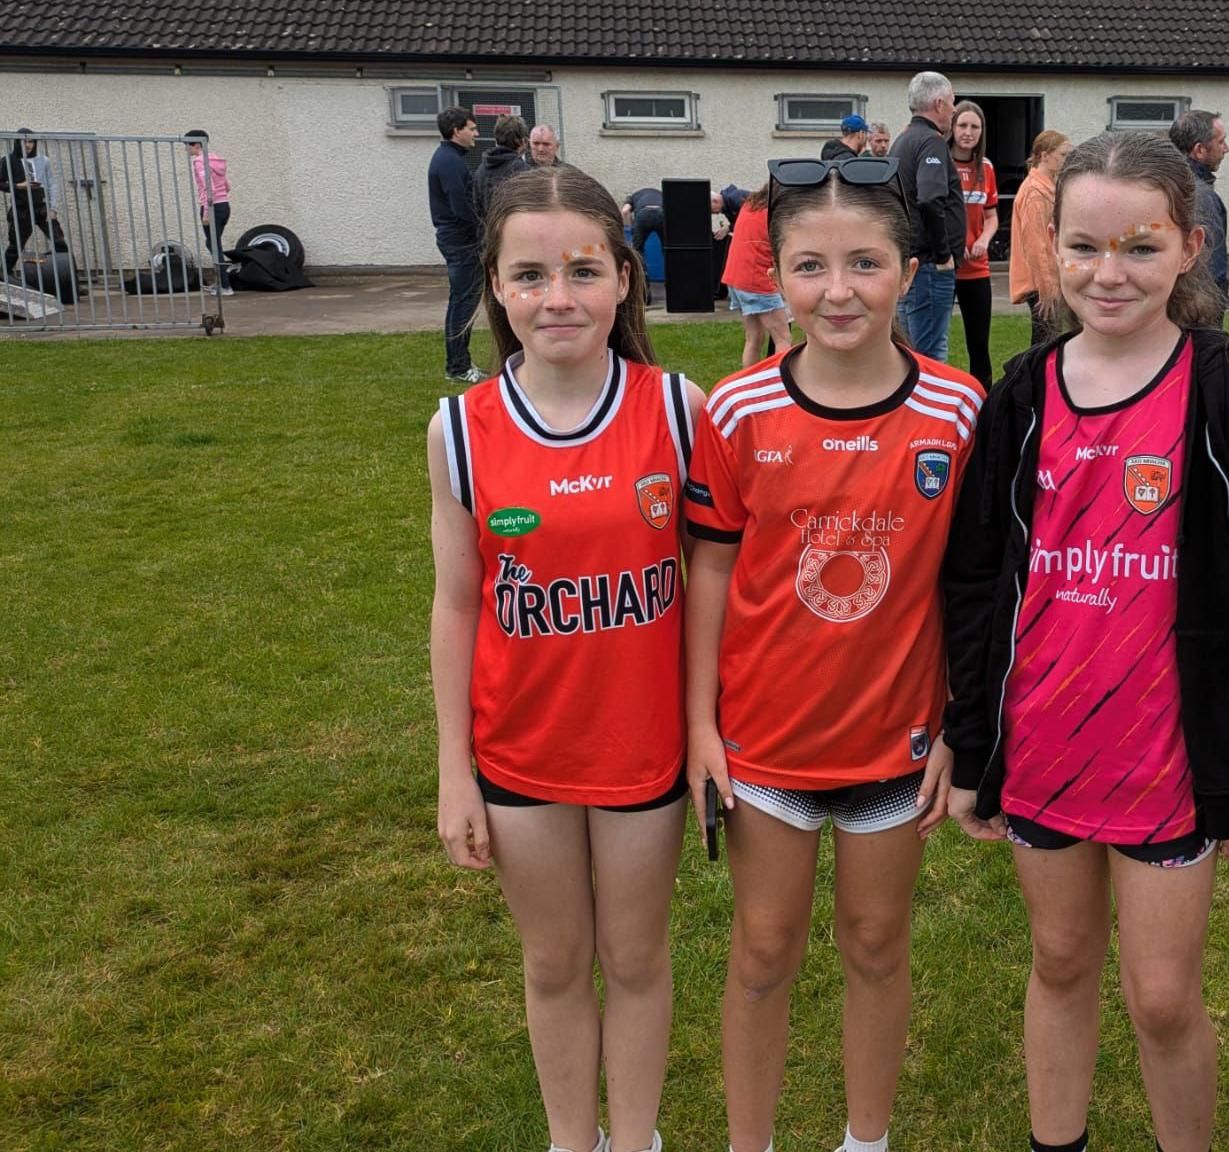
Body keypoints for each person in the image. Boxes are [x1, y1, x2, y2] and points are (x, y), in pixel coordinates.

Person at [940, 129, 1229, 1152]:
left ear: (1188, 248)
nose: (1109, 274)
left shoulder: (1227, 396)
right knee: (1058, 962)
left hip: (1170, 760)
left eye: (1139, 248)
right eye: (1085, 248)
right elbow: (974, 583)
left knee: (1159, 997)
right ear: (1049, 248)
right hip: (1042, 741)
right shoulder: (1019, 396)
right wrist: (971, 742)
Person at [683, 154, 985, 1152]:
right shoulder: (735, 411)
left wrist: (959, 725)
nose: (837, 290)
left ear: (908, 271)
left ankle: (867, 1139)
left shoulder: (956, 411)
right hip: (765, 743)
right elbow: (714, 574)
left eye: (863, 263)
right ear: (779, 277)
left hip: (894, 747)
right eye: (810, 267)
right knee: (763, 949)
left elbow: (971, 588)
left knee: (873, 943)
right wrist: (700, 729)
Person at [429, 163, 700, 1152]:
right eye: (530, 275)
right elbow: (456, 604)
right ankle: (568, 1139)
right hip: (519, 758)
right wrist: (454, 771)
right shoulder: (459, 429)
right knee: (553, 963)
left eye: (583, 272)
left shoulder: (675, 409)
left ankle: (635, 1138)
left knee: (633, 958)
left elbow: (715, 587)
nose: (559, 298)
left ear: (623, 279)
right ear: (494, 287)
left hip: (641, 751)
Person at [890, 71, 965, 359]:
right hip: (930, 267)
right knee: (930, 354)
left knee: (908, 351)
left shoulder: (903, 140)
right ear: (938, 104)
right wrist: (944, 254)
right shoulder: (930, 142)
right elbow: (930, 198)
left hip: (912, 261)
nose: (954, 110)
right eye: (952, 102)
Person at [428, 106, 486, 384]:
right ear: (456, 131)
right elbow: (460, 205)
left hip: (457, 240)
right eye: (472, 128)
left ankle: (458, 364)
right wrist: (481, 230)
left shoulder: (449, 158)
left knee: (460, 301)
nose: (476, 133)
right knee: (464, 303)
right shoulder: (449, 162)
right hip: (461, 243)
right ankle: (459, 367)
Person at [951, 100, 1000, 385]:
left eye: (975, 126)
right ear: (953, 128)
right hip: (945, 267)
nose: (968, 132)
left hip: (977, 269)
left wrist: (983, 239)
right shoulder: (941, 161)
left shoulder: (986, 168)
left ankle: (984, 401)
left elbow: (992, 216)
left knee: (979, 343)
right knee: (934, 342)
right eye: (963, 125)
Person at [1008, 129, 1071, 347]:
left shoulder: (1045, 188)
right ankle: (1037, 381)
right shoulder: (1035, 193)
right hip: (1041, 283)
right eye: (1062, 155)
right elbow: (1035, 245)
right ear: (1044, 156)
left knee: (1050, 341)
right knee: (1046, 344)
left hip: (1047, 280)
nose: (1066, 160)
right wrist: (1047, 288)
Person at [719, 188, 792, 365]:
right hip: (756, 281)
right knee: (783, 338)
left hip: (736, 278)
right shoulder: (776, 213)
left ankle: (748, 384)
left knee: (754, 338)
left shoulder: (751, 205)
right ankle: (780, 384)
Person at [1169, 110, 1229, 307]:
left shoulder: (1165, 182)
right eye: (1221, 142)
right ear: (1199, 150)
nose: (1226, 149)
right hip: (1196, 309)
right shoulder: (1201, 198)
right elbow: (1213, 268)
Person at [3, 129, 69, 277]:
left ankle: (67, 278)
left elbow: (51, 183)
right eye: (24, 141)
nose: (28, 145)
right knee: (16, 245)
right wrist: (18, 186)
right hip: (21, 208)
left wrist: (53, 208)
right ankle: (3, 276)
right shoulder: (8, 160)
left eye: (31, 141)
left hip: (41, 206)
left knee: (59, 241)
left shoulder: (43, 160)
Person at [182, 129, 233, 294]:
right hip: (224, 206)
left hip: (212, 207)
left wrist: (205, 213)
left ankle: (225, 286)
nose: (186, 149)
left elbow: (208, 187)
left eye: (187, 145)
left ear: (196, 144)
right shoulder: (216, 160)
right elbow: (226, 186)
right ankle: (221, 282)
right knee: (212, 243)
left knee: (213, 244)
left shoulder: (200, 162)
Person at [474, 116, 534, 224]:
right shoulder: (524, 172)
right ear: (521, 141)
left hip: (488, 235)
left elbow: (477, 209)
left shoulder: (481, 169)